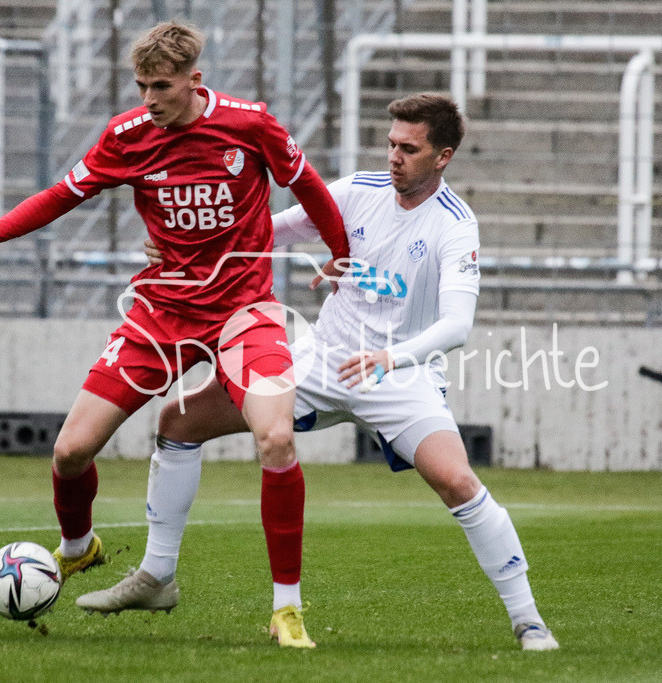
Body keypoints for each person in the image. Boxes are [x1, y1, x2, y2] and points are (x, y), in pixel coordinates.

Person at [77, 93, 560, 651]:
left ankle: (528, 620)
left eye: (410, 148)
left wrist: (392, 358)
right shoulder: (359, 191)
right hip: (321, 359)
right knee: (179, 419)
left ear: (443, 156)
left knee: (457, 482)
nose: (394, 156)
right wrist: (185, 252)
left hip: (399, 375)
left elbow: (457, 325)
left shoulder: (455, 226)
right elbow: (264, 232)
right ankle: (157, 576)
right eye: (391, 144)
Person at [0, 21, 349, 647]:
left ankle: (286, 608)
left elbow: (310, 187)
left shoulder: (250, 124)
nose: (149, 99)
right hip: (161, 312)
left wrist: (339, 254)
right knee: (70, 452)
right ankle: (79, 547)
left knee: (277, 438)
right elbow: (59, 197)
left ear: (193, 81)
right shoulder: (126, 136)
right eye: (142, 85)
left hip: (245, 311)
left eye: (162, 86)